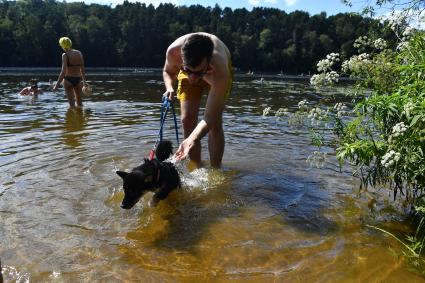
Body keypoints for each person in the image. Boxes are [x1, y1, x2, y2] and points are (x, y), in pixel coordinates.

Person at [163, 32, 233, 168]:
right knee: (187, 120)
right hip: (195, 67)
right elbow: (168, 71)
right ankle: (196, 168)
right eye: (188, 71)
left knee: (215, 123)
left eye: (198, 73)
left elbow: (210, 118)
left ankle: (215, 169)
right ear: (182, 59)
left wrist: (191, 140)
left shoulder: (220, 68)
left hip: (214, 74)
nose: (192, 79)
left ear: (208, 60)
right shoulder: (173, 52)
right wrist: (170, 87)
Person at [53, 37, 87, 108]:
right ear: (70, 43)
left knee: (71, 105)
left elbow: (63, 71)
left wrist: (57, 85)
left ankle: (72, 118)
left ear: (62, 45)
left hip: (68, 80)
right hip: (78, 79)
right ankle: (80, 118)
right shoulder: (79, 53)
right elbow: (82, 69)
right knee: (80, 103)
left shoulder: (65, 55)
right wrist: (84, 83)